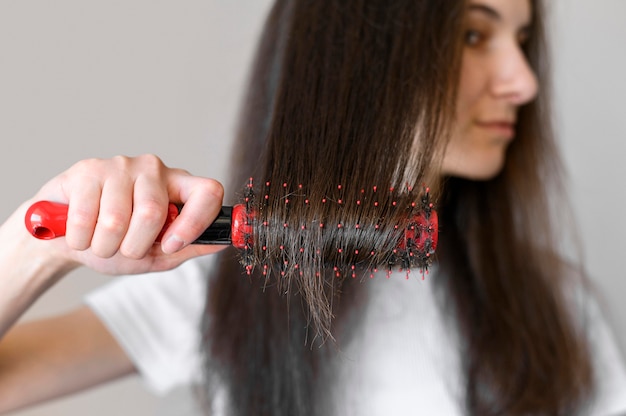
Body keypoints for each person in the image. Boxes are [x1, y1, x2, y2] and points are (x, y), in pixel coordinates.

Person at [1, 0, 625, 415]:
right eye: (472, 34)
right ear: (360, 54)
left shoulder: (555, 303)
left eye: (521, 40)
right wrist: (40, 246)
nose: (524, 81)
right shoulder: (219, 292)